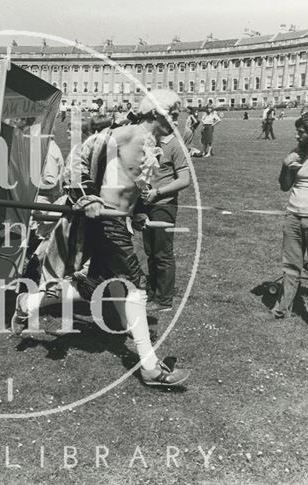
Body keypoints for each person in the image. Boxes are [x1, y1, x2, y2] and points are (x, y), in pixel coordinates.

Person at [11, 89, 191, 387]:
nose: (177, 118)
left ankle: (27, 304)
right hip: (105, 223)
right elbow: (79, 156)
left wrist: (138, 213)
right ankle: (150, 367)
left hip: (117, 221)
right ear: (157, 113)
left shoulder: (152, 143)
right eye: (173, 112)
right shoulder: (128, 134)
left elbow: (127, 185)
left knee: (94, 285)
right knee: (136, 287)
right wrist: (86, 198)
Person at [272, 111, 308, 333]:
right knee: (291, 267)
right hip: (293, 216)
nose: (297, 136)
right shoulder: (297, 153)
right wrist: (286, 165)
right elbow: (284, 186)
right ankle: (282, 309)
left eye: (301, 132)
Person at [139, 125, 191, 312]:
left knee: (162, 252)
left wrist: (158, 192)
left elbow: (184, 180)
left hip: (164, 205)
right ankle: (153, 293)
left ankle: (164, 300)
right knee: (151, 252)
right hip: (147, 203)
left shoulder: (175, 146)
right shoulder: (150, 143)